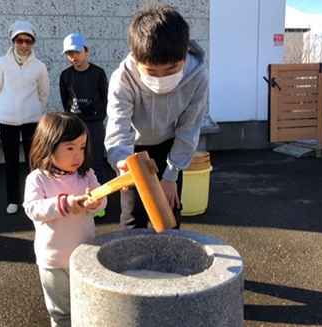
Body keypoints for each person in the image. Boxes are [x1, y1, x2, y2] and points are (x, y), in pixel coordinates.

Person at [104, 3, 209, 230]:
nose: (161, 79)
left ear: (185, 53)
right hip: (133, 151)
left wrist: (171, 175)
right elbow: (118, 125)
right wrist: (122, 164)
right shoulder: (123, 78)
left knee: (169, 215)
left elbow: (189, 128)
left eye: (171, 70)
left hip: (169, 147)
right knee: (133, 220)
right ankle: (132, 265)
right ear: (135, 56)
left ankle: (169, 265)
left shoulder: (198, 75)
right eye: (151, 72)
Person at [23, 111, 107, 327]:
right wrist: (63, 203)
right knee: (61, 314)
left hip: (85, 257)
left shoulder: (86, 175)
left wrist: (95, 203)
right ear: (48, 146)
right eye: (70, 148)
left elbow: (102, 201)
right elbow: (33, 209)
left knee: (88, 307)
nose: (77, 155)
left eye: (82, 147)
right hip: (53, 260)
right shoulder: (38, 178)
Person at [0, 20, 50, 215]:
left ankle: (33, 198)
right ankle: (13, 199)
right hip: (7, 120)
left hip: (32, 120)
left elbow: (43, 93)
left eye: (28, 41)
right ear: (13, 41)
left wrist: (33, 109)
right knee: (11, 161)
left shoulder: (39, 66)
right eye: (19, 40)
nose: (24, 45)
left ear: (33, 43)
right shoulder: (1, 63)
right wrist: (7, 107)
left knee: (33, 161)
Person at [59, 33, 108, 189]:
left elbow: (105, 97)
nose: (73, 57)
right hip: (75, 124)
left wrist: (100, 116)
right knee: (75, 162)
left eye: (77, 52)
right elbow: (65, 99)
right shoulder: (65, 76)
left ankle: (100, 201)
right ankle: (80, 196)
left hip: (95, 123)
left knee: (96, 161)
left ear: (86, 50)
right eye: (69, 53)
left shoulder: (98, 73)